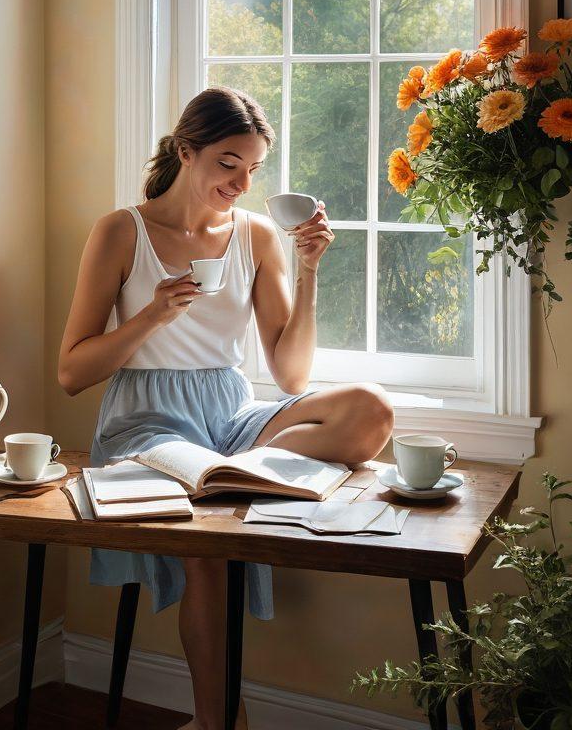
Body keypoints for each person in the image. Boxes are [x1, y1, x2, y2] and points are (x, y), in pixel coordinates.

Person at [58, 87, 394, 730]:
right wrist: (154, 313)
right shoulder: (121, 231)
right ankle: (219, 723)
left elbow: (291, 374)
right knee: (211, 544)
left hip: (231, 413)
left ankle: (234, 476)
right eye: (228, 162)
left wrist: (308, 269)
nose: (240, 182)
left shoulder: (259, 236)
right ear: (188, 151)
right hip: (144, 419)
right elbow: (71, 371)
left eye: (252, 169)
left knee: (371, 411)